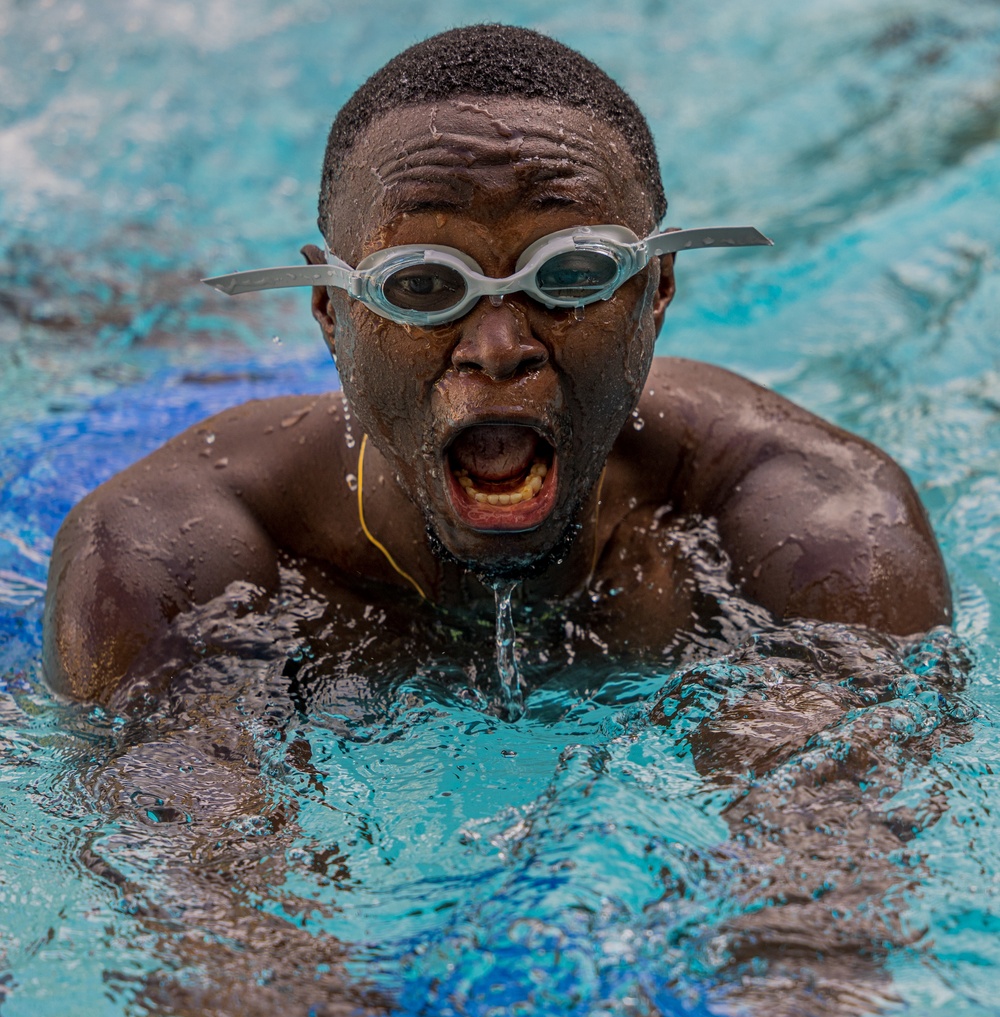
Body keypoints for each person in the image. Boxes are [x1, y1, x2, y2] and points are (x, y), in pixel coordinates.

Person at [42, 24, 950, 705]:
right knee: (84, 319)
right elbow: (186, 900)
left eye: (575, 274)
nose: (499, 346)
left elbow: (831, 892)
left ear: (657, 289)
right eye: (424, 283)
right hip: (100, 430)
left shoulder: (815, 520)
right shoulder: (173, 549)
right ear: (330, 308)